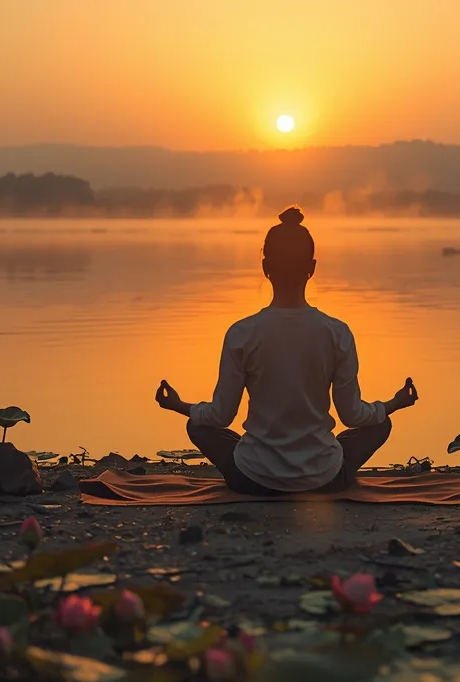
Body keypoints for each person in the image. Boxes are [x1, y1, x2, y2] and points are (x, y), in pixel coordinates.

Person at [154, 206, 419, 495]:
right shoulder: (336, 332)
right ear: (313, 267)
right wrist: (394, 403)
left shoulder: (242, 333)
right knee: (380, 424)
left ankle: (265, 466)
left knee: (198, 425)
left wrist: (178, 406)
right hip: (324, 478)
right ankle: (320, 468)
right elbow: (353, 416)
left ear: (265, 267)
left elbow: (220, 417)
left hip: (253, 479)